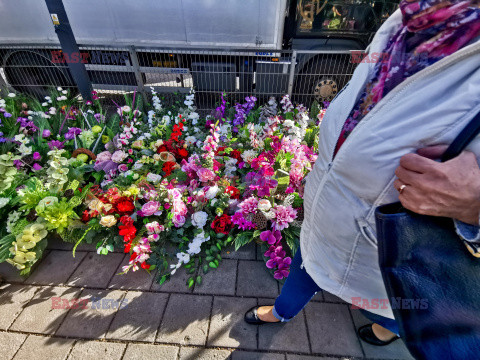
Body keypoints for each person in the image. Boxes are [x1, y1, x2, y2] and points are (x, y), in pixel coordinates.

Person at [245, 0, 480, 347]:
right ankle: (284, 310)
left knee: (389, 305)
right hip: (325, 216)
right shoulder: (404, 20)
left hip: (386, 251)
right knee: (306, 263)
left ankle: (393, 328)